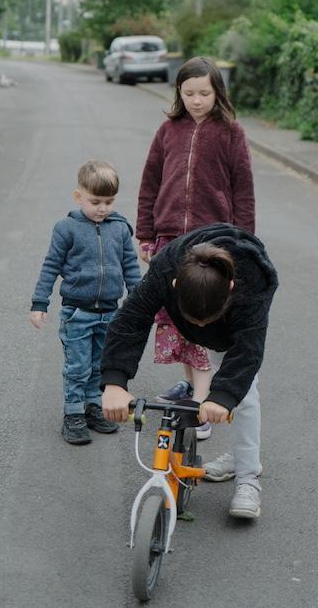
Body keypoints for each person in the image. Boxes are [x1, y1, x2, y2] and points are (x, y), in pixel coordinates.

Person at [100, 224, 277, 520]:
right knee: (215, 375)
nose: (202, 328)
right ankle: (240, 457)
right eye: (198, 321)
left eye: (207, 321)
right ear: (174, 286)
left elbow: (248, 349)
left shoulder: (253, 281)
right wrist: (115, 382)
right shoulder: (165, 269)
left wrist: (222, 396)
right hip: (193, 294)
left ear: (231, 288)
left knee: (243, 394)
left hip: (232, 331)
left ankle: (248, 477)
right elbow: (131, 320)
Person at [135, 56, 256, 443]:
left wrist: (244, 243)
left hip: (211, 243)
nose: (197, 100)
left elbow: (244, 191)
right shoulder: (168, 130)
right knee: (176, 320)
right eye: (189, 93)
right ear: (179, 93)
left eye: (204, 93)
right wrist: (145, 233)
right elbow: (150, 182)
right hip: (169, 240)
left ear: (217, 92)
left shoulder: (231, 133)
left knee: (202, 318)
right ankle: (190, 389)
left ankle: (202, 406)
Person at [30, 160, 142, 445]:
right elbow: (50, 266)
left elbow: (130, 266)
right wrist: (39, 303)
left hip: (110, 313)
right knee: (77, 366)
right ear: (78, 196)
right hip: (77, 312)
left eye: (109, 201)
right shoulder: (66, 228)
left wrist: (138, 298)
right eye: (95, 201)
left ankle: (93, 407)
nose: (103, 208)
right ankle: (73, 413)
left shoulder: (119, 228)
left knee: (100, 365)